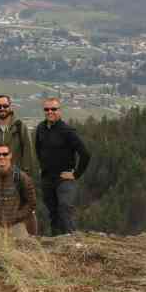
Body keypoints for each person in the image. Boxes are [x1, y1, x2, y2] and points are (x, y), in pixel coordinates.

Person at [0, 94, 37, 234]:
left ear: (10, 106)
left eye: (5, 106)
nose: (2, 109)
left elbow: (28, 152)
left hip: (17, 178)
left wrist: (26, 175)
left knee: (23, 210)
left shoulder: (20, 127)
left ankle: (30, 237)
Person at [35, 98, 91, 236]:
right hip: (47, 178)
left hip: (64, 178)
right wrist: (42, 166)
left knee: (64, 208)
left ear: (59, 110)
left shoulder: (67, 131)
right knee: (53, 212)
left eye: (53, 109)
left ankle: (72, 240)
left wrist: (76, 174)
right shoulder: (41, 128)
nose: (50, 112)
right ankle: (57, 243)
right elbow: (38, 149)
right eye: (46, 109)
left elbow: (85, 154)